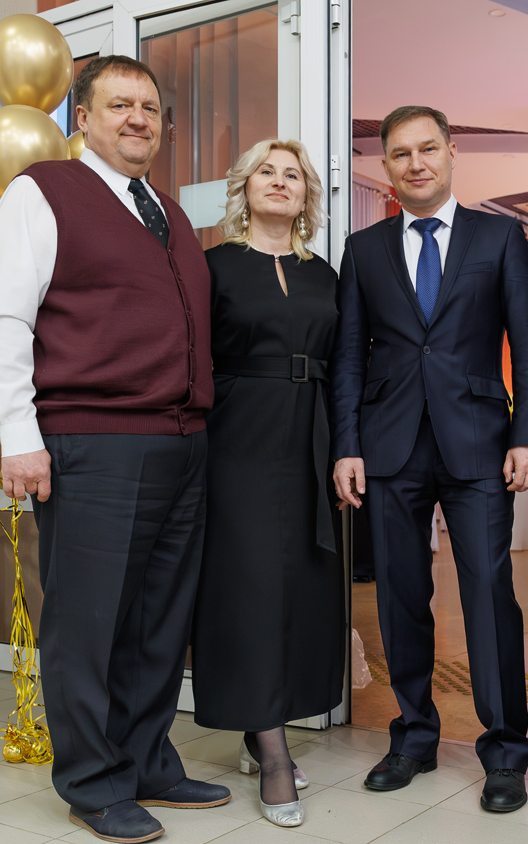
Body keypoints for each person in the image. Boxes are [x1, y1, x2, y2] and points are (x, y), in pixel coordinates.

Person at [0, 55, 230, 844]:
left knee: (158, 623)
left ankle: (146, 762)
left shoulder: (167, 212)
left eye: (149, 107)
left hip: (181, 443)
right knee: (87, 625)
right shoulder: (43, 192)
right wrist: (18, 435)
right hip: (93, 442)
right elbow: (2, 320)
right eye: (119, 105)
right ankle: (91, 782)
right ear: (81, 118)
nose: (138, 119)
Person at [331, 105, 528, 814]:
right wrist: (346, 444)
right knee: (399, 597)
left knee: (489, 595)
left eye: (428, 149)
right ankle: (414, 738)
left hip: (479, 442)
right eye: (400, 154)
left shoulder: (500, 237)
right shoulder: (363, 249)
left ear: (452, 152)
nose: (416, 163)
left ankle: (505, 751)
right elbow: (348, 358)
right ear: (387, 167)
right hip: (388, 444)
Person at [191, 139, 343, 828]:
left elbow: (345, 365)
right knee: (248, 589)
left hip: (311, 436)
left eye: (292, 175)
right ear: (244, 188)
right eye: (266, 172)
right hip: (236, 437)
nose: (280, 182)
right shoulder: (213, 266)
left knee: (300, 587)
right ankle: (273, 753)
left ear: (306, 194)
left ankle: (264, 728)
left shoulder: (324, 275)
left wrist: (344, 449)